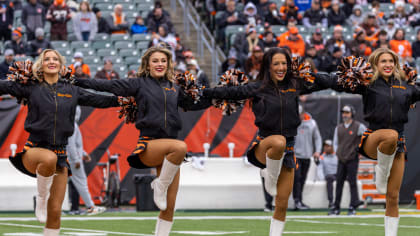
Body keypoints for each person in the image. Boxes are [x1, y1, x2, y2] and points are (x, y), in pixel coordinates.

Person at [67, 44, 212, 236]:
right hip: (149, 146)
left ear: (168, 64)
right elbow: (107, 86)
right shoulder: (139, 84)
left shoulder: (175, 87)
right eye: (155, 61)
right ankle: (158, 184)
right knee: (181, 147)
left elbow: (197, 103)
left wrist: (220, 95)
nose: (159, 64)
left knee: (169, 204)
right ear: (147, 64)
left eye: (163, 61)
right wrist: (76, 81)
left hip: (170, 152)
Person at [203, 47, 329, 236]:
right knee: (277, 141)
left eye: (284, 63)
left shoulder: (296, 84)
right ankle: (269, 174)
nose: (280, 67)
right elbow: (229, 92)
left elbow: (326, 81)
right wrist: (200, 92)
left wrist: (348, 79)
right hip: (264, 146)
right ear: (268, 67)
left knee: (282, 203)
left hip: (288, 149)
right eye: (276, 63)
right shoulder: (257, 87)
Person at [1, 49, 119, 236]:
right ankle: (40, 199)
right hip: (35, 150)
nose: (51, 61)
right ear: (41, 64)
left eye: (55, 59)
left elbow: (98, 99)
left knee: (55, 212)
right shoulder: (31, 87)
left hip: (61, 154)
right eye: (47, 59)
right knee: (48, 159)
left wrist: (123, 100)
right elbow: (4, 87)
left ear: (61, 65)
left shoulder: (72, 90)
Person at [313, 48, 420, 235]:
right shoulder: (367, 83)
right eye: (383, 61)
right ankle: (381, 170)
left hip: (397, 144)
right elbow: (334, 81)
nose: (387, 64)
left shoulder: (406, 85)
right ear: (375, 64)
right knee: (390, 135)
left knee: (392, 196)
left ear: (395, 63)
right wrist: (310, 77)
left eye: (390, 61)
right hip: (373, 138)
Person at [67, 106, 106, 216]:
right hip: (73, 159)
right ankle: (90, 206)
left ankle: (50, 208)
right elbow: (71, 145)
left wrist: (83, 154)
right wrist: (76, 159)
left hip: (70, 158)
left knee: (58, 183)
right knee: (81, 183)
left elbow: (74, 145)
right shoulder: (72, 126)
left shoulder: (69, 125)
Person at [329, 105, 365, 215]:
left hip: (352, 158)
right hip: (341, 159)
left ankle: (352, 206)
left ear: (352, 114)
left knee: (352, 182)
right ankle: (336, 207)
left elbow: (366, 138)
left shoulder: (359, 126)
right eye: (343, 112)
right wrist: (337, 152)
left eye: (347, 112)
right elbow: (335, 142)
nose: (344, 115)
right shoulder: (338, 128)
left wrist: (361, 151)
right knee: (339, 183)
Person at [293, 104, 322, 210]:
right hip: (295, 155)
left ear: (302, 113)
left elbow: (317, 138)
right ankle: (297, 201)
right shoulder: (292, 123)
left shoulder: (312, 123)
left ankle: (299, 201)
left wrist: (317, 151)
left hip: (307, 156)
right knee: (296, 178)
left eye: (298, 114)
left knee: (302, 179)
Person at [318, 140, 338, 208]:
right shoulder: (321, 157)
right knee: (329, 178)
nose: (326, 148)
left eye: (328, 146)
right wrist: (322, 178)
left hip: (337, 175)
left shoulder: (337, 156)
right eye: (325, 146)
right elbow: (319, 169)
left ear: (332, 147)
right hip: (329, 175)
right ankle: (331, 202)